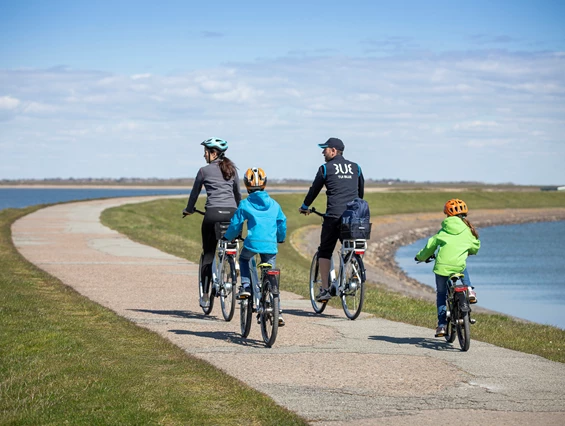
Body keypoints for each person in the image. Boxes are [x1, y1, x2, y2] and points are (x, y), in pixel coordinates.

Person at [298, 137, 364, 302]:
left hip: (334, 216)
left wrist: (305, 207)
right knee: (352, 247)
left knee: (325, 251)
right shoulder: (356, 168)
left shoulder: (326, 168)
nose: (323, 152)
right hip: (354, 215)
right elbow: (360, 192)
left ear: (334, 151)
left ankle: (325, 289)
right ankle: (355, 273)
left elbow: (314, 190)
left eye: (325, 149)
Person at [223, 167, 287, 325]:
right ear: (265, 184)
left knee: (244, 259)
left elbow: (235, 224)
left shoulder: (245, 204)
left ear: (246, 185)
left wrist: (228, 237)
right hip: (271, 245)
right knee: (270, 272)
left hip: (252, 244)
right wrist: (280, 238)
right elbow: (281, 223)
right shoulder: (274, 204)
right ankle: (276, 308)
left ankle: (246, 286)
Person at [183, 137, 241, 309]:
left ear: (213, 153)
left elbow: (194, 194)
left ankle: (206, 296)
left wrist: (189, 209)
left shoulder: (203, 171)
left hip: (212, 214)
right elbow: (238, 194)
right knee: (229, 244)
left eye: (206, 152)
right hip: (231, 213)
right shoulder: (232, 170)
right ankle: (233, 262)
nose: (204, 156)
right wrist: (238, 212)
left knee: (208, 254)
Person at [414, 198, 480, 337]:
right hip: (458, 266)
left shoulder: (443, 231)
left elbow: (430, 246)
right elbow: (475, 246)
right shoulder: (467, 230)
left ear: (447, 215)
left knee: (441, 294)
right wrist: (469, 251)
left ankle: (442, 326)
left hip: (442, 267)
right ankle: (469, 290)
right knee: (461, 265)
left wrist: (420, 257)